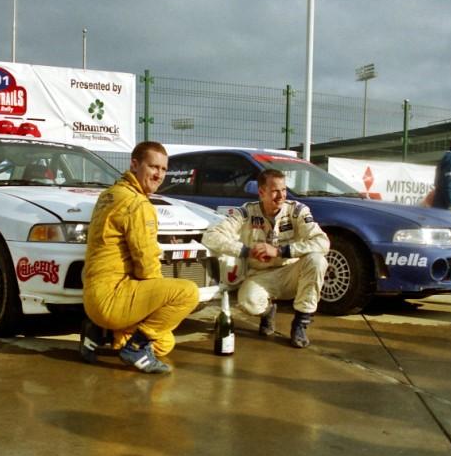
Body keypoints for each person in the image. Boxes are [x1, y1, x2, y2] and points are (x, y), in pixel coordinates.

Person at [80, 141, 199, 374]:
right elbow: (146, 264)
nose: (159, 175)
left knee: (165, 343)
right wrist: (158, 298)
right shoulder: (137, 203)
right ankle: (134, 348)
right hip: (111, 300)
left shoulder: (109, 194)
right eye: (153, 167)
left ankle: (99, 332)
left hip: (92, 298)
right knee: (187, 293)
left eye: (164, 169)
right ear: (134, 164)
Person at [201, 169, 329, 348]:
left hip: (291, 273)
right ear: (261, 192)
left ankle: (300, 323)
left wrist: (281, 251)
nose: (281, 195)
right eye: (275, 191)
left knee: (317, 260)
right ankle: (268, 311)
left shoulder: (297, 211)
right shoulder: (246, 213)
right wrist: (246, 250)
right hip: (260, 275)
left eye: (284, 190)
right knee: (248, 304)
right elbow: (211, 236)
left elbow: (322, 242)